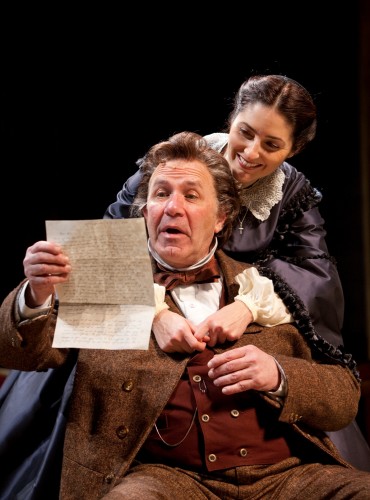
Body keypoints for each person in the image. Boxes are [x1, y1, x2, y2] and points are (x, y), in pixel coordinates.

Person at [0, 131, 369, 499]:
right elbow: (22, 353)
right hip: (166, 480)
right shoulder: (103, 272)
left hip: (287, 476)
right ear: (145, 212)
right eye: (161, 194)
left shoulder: (264, 286)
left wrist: (278, 374)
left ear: (222, 217)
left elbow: (342, 399)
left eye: (191, 195)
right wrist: (37, 292)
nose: (172, 207)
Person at [103, 74, 370, 469]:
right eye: (245, 132)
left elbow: (313, 271)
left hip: (243, 324)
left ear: (293, 150)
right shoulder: (173, 165)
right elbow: (107, 243)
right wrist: (152, 313)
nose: (250, 151)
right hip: (158, 304)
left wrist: (247, 306)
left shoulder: (291, 192)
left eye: (272, 144)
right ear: (232, 119)